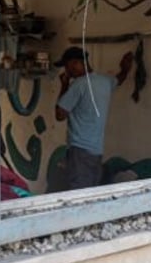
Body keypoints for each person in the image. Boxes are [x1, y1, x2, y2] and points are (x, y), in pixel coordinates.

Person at [55, 46, 133, 189]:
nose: (66, 71)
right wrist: (125, 69)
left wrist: (64, 85)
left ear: (75, 63)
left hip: (79, 151)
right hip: (96, 151)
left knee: (78, 194)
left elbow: (60, 114)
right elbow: (119, 79)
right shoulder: (104, 81)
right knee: (91, 191)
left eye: (67, 66)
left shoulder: (78, 85)